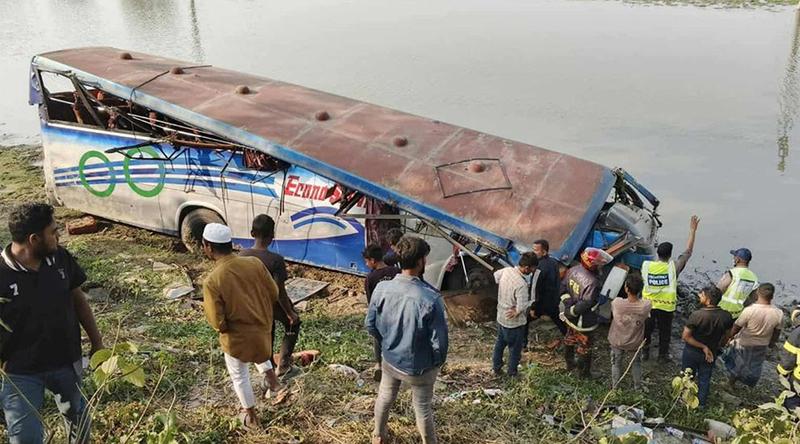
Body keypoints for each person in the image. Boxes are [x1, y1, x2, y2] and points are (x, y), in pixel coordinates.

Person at [0, 203, 104, 444]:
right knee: (25, 436)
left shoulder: (60, 259)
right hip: (20, 371)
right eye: (53, 232)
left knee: (78, 418)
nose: (59, 236)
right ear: (34, 239)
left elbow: (78, 300)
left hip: (66, 360)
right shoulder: (2, 275)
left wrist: (97, 342)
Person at [366, 236, 448, 444]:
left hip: (390, 359)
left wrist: (386, 344)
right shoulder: (431, 298)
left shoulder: (381, 289)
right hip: (420, 367)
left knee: (385, 397)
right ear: (421, 261)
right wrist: (436, 363)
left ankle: (378, 435)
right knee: (422, 408)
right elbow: (440, 343)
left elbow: (371, 325)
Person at [201, 223, 280, 428]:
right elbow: (273, 292)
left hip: (237, 339)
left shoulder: (213, 280)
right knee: (257, 352)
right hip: (263, 330)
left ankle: (251, 417)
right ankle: (274, 382)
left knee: (239, 376)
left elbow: (217, 322)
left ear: (208, 247)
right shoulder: (254, 263)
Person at [240, 214, 301, 377]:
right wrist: (290, 313)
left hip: (250, 305)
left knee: (268, 331)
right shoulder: (275, 260)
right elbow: (279, 291)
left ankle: (269, 369)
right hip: (270, 305)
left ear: (252, 233)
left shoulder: (241, 256)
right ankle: (283, 365)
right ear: (272, 235)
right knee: (293, 324)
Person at [642, 215, 700, 363]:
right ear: (670, 255)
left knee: (646, 329)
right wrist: (692, 231)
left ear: (658, 253)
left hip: (648, 305)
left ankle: (644, 352)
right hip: (666, 307)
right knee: (665, 331)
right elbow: (688, 252)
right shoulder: (673, 267)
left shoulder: (646, 266)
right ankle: (662, 356)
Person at [560, 247, 612, 378]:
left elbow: (563, 288)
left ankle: (570, 364)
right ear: (591, 265)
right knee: (585, 345)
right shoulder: (593, 282)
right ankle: (584, 374)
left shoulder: (573, 270)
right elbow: (586, 303)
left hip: (570, 316)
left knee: (570, 339)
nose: (600, 266)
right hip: (584, 320)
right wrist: (574, 310)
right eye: (598, 264)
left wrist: (569, 307)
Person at [722, 283, 783, 388]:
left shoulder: (749, 310)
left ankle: (731, 383)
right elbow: (777, 332)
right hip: (761, 346)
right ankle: (746, 382)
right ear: (772, 296)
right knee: (754, 366)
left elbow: (737, 327)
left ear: (757, 293)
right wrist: (771, 344)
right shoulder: (778, 313)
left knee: (737, 363)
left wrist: (730, 337)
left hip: (745, 343)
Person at [681, 286, 733, 408]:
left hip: (692, 351)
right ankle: (701, 405)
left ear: (708, 300)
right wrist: (718, 346)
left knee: (687, 376)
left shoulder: (697, 315)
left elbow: (686, 337)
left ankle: (685, 401)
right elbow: (727, 336)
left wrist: (703, 346)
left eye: (702, 295)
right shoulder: (726, 316)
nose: (700, 296)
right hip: (711, 353)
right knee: (705, 379)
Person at [492, 253, 538, 377]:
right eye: (532, 269)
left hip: (501, 316)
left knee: (499, 344)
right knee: (514, 350)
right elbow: (522, 306)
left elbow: (495, 276)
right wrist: (519, 309)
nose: (532, 272)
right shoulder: (521, 284)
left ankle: (496, 367)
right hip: (514, 323)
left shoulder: (506, 271)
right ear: (527, 268)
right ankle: (512, 373)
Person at [608, 274, 651, 390]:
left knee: (616, 364)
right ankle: (638, 387)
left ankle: (615, 388)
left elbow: (612, 309)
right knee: (636, 364)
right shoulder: (646, 306)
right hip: (635, 342)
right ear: (640, 289)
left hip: (617, 340)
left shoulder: (617, 303)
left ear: (626, 289)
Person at [362, 244, 400, 367]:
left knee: (378, 340)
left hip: (382, 315)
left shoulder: (370, 278)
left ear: (373, 260)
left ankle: (379, 364)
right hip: (398, 312)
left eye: (367, 261)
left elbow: (371, 302)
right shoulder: (396, 271)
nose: (366, 264)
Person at [530, 240, 567, 346]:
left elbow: (535, 289)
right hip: (553, 301)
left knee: (525, 321)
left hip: (541, 303)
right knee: (558, 320)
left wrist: (533, 307)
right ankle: (569, 337)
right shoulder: (553, 262)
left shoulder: (538, 268)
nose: (533, 252)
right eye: (533, 249)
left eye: (536, 250)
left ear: (544, 252)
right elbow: (557, 281)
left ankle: (523, 345)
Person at [717, 248, 759, 319]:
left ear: (737, 260)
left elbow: (717, 291)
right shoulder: (754, 277)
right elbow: (753, 298)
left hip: (722, 312)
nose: (733, 259)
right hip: (738, 315)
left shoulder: (732, 273)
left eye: (734, 257)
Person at [777, 307, 800, 411]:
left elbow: (788, 359)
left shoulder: (797, 333)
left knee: (793, 400)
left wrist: (782, 372)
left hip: (798, 378)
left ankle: (792, 416)